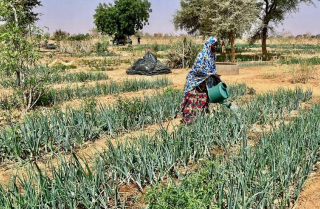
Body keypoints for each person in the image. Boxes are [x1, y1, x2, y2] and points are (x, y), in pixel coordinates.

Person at [181, 37, 220, 123]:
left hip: (206, 81)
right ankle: (188, 120)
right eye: (214, 45)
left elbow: (213, 68)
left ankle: (201, 119)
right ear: (209, 45)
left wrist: (215, 75)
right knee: (193, 99)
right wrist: (210, 74)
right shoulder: (202, 55)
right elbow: (197, 70)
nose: (216, 47)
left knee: (205, 98)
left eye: (217, 45)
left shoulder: (213, 56)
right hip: (196, 81)